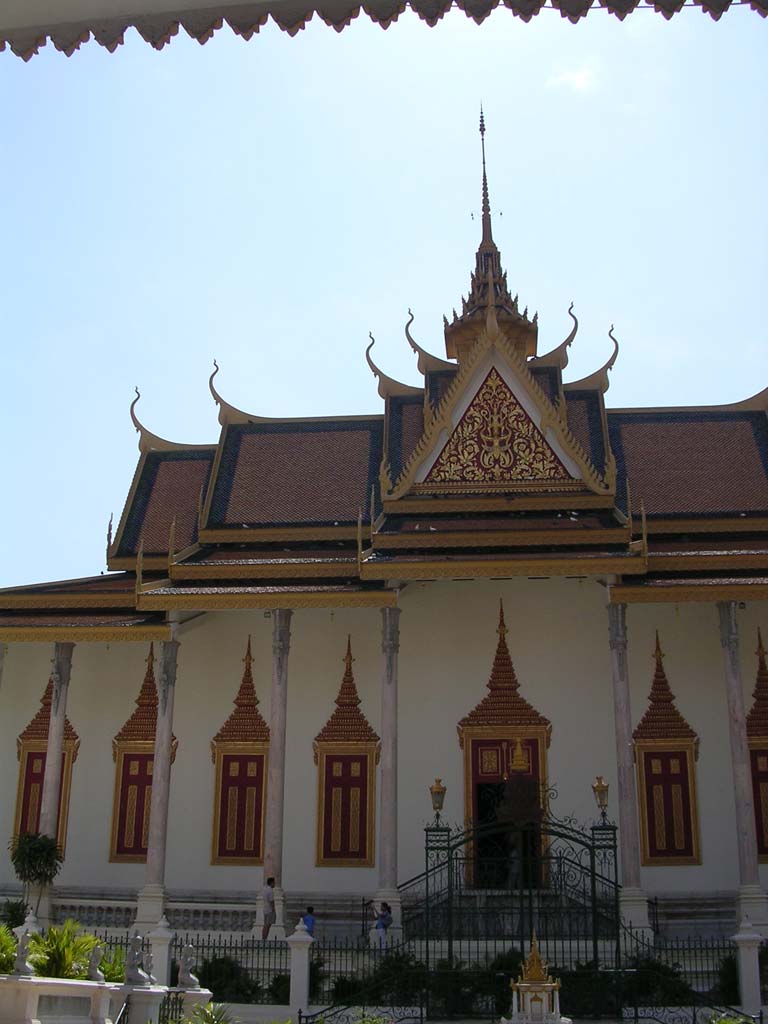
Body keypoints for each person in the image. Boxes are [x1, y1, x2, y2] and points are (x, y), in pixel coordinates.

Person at [262, 876, 276, 940]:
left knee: (265, 925)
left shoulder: (264, 889)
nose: (274, 884)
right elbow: (271, 901)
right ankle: (265, 938)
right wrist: (273, 909)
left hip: (265, 909)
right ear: (271, 883)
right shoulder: (270, 890)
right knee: (268, 925)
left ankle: (263, 938)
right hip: (269, 910)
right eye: (274, 883)